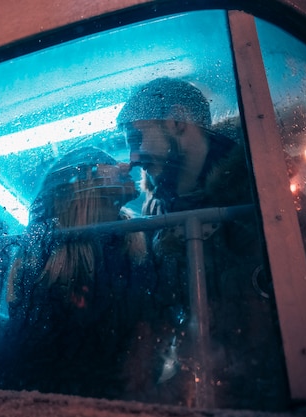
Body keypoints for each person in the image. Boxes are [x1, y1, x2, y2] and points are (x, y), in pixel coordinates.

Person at [116, 77, 288, 409]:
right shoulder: (154, 216)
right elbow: (158, 323)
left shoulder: (267, 189)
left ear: (178, 120)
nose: (132, 157)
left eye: (137, 137)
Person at [0, 146, 148, 398]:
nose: (126, 165)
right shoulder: (45, 255)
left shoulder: (135, 243)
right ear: (84, 182)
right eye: (106, 162)